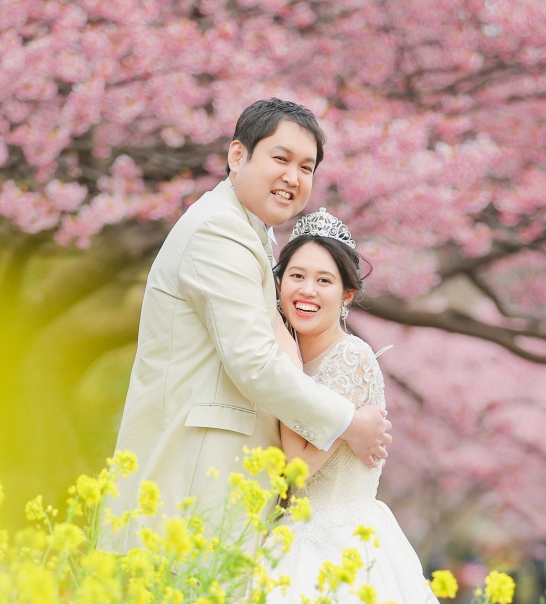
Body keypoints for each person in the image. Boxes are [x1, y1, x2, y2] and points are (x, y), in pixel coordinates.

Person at [102, 99, 390, 551]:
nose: (293, 178)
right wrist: (347, 421)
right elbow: (254, 363)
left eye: (306, 167)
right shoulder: (218, 231)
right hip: (188, 496)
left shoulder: (247, 232)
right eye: (280, 158)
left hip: (217, 504)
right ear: (238, 156)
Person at [267, 208, 484, 604]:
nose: (307, 290)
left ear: (346, 294)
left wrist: (284, 364)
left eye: (324, 280)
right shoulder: (293, 354)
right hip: (294, 536)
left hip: (337, 543)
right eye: (296, 275)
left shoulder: (349, 356)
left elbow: (297, 468)